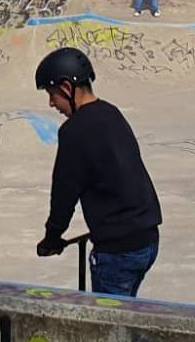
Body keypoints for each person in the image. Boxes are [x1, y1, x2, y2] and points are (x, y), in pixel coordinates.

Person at [34, 48, 163, 297]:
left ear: (67, 88)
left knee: (109, 326)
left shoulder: (74, 131)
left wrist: (52, 237)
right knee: (124, 312)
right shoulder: (111, 112)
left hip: (118, 250)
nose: (51, 104)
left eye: (52, 95)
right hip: (147, 239)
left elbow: (64, 194)